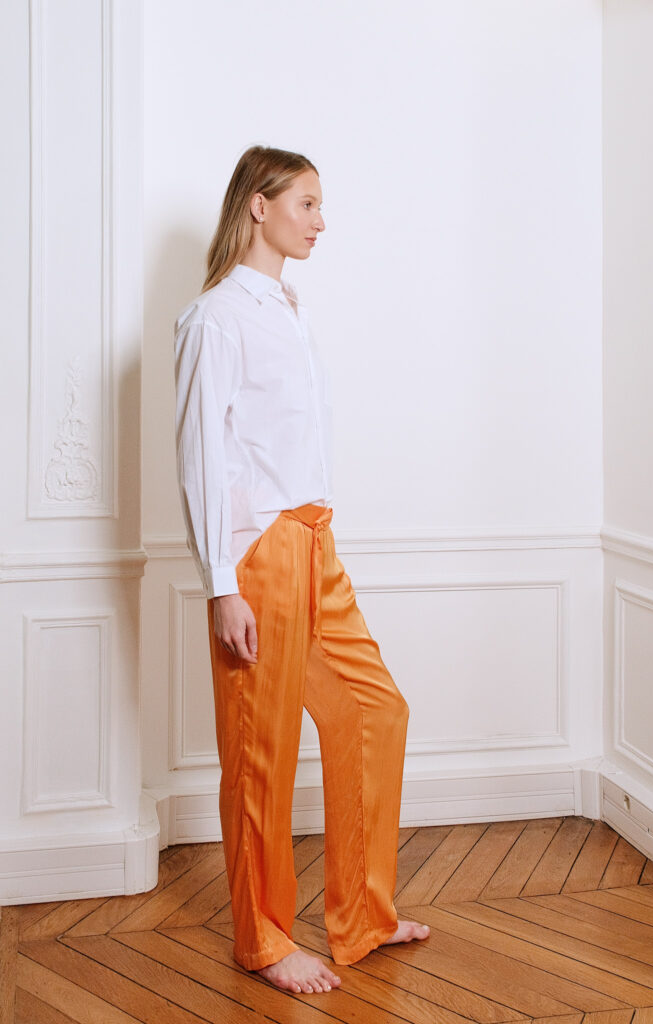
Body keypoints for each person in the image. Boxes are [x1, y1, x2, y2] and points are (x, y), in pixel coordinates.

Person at [173, 145, 430, 995]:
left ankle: (365, 914)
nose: (321, 221)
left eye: (321, 205)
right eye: (308, 203)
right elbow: (201, 459)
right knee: (262, 749)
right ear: (259, 204)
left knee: (374, 708)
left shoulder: (288, 308)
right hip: (259, 552)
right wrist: (222, 585)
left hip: (318, 540)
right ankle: (264, 940)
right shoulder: (216, 318)